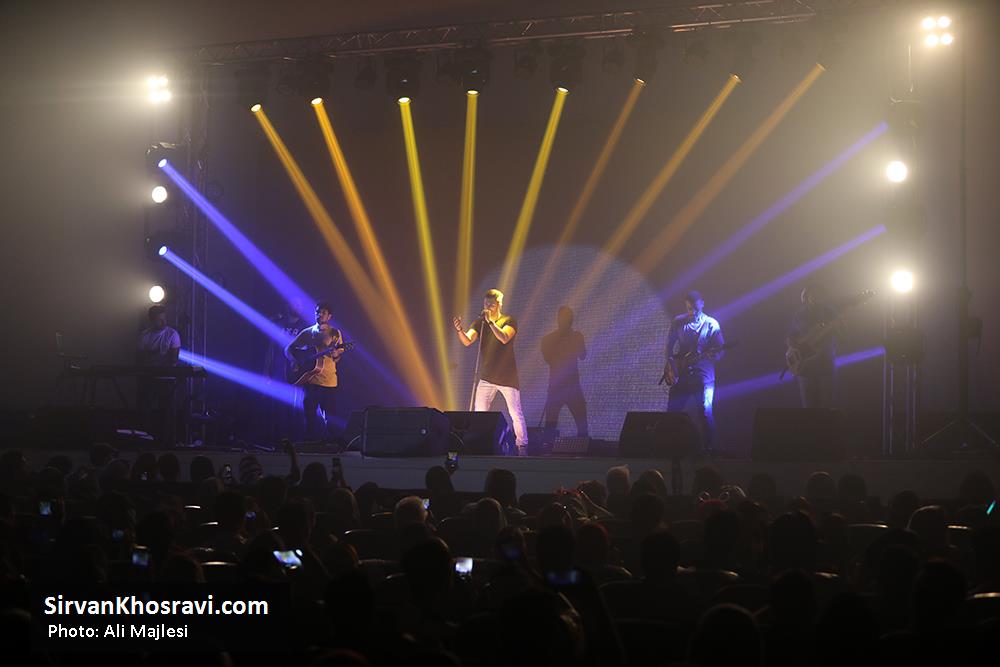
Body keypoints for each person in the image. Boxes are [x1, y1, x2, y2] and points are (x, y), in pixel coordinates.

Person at [453, 289, 528, 456]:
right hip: (487, 376)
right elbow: (467, 341)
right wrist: (459, 330)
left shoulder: (509, 320)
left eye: (491, 305)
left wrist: (491, 323)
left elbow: (504, 338)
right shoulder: (480, 323)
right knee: (480, 412)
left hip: (507, 377)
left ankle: (522, 446)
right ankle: (478, 444)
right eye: (486, 304)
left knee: (515, 412)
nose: (487, 307)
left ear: (499, 304)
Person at [664, 291, 725, 451]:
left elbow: (720, 351)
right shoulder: (678, 322)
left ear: (702, 303)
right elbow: (668, 347)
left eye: (696, 308)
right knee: (672, 411)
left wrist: (712, 356)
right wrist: (671, 365)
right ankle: (671, 448)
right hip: (682, 375)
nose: (693, 312)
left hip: (703, 377)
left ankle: (710, 450)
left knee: (705, 412)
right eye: (690, 308)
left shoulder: (711, 324)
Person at [284, 302, 344, 441]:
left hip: (329, 382)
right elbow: (288, 349)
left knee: (330, 419)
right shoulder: (307, 332)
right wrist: (294, 361)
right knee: (309, 418)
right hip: (310, 381)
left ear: (329, 316)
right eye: (318, 312)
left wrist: (336, 354)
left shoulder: (335, 333)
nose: (320, 314)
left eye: (323, 312)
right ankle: (310, 445)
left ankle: (332, 446)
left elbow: (337, 357)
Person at [788, 285, 840, 408]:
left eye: (818, 293)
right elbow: (791, 337)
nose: (815, 296)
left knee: (827, 408)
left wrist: (837, 329)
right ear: (805, 297)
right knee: (809, 409)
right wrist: (793, 353)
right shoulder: (800, 314)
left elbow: (842, 334)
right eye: (812, 294)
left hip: (825, 365)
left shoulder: (830, 312)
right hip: (805, 369)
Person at [540, 306, 588, 437]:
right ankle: (582, 445)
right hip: (570, 386)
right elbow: (583, 355)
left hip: (559, 385)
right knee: (581, 425)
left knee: (551, 426)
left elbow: (548, 359)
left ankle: (548, 447)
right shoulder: (575, 336)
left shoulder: (548, 339)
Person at [136, 304, 181, 445]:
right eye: (159, 320)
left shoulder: (172, 334)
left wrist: (153, 357)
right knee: (145, 411)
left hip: (166, 380)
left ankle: (167, 442)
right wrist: (159, 358)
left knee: (167, 411)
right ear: (152, 320)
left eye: (164, 319)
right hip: (148, 378)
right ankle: (144, 440)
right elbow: (140, 359)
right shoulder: (144, 336)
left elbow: (173, 359)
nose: (163, 322)